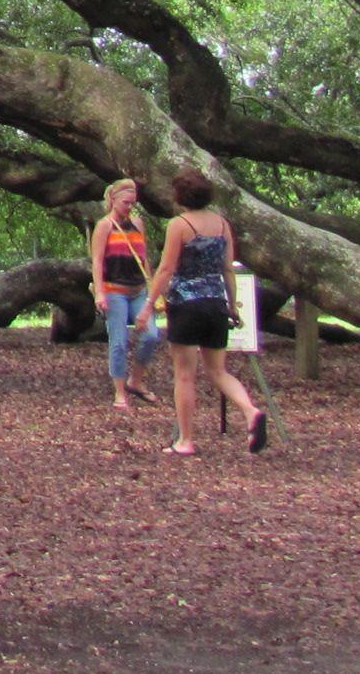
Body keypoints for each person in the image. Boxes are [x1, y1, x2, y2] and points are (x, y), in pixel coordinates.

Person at [140, 168, 267, 458]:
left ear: (180, 195)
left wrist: (149, 305)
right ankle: (251, 411)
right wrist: (232, 305)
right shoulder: (222, 225)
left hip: (186, 305)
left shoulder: (179, 225)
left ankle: (185, 440)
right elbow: (227, 268)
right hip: (215, 304)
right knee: (218, 371)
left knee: (185, 375)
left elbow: (168, 269)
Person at [88, 177, 164, 411]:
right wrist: (99, 292)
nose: (129, 207)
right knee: (118, 342)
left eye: (133, 203)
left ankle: (136, 380)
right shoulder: (104, 226)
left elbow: (143, 260)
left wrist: (152, 289)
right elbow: (97, 261)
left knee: (151, 335)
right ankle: (120, 392)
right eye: (126, 202)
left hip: (138, 289)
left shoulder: (138, 224)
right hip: (114, 291)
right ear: (113, 200)